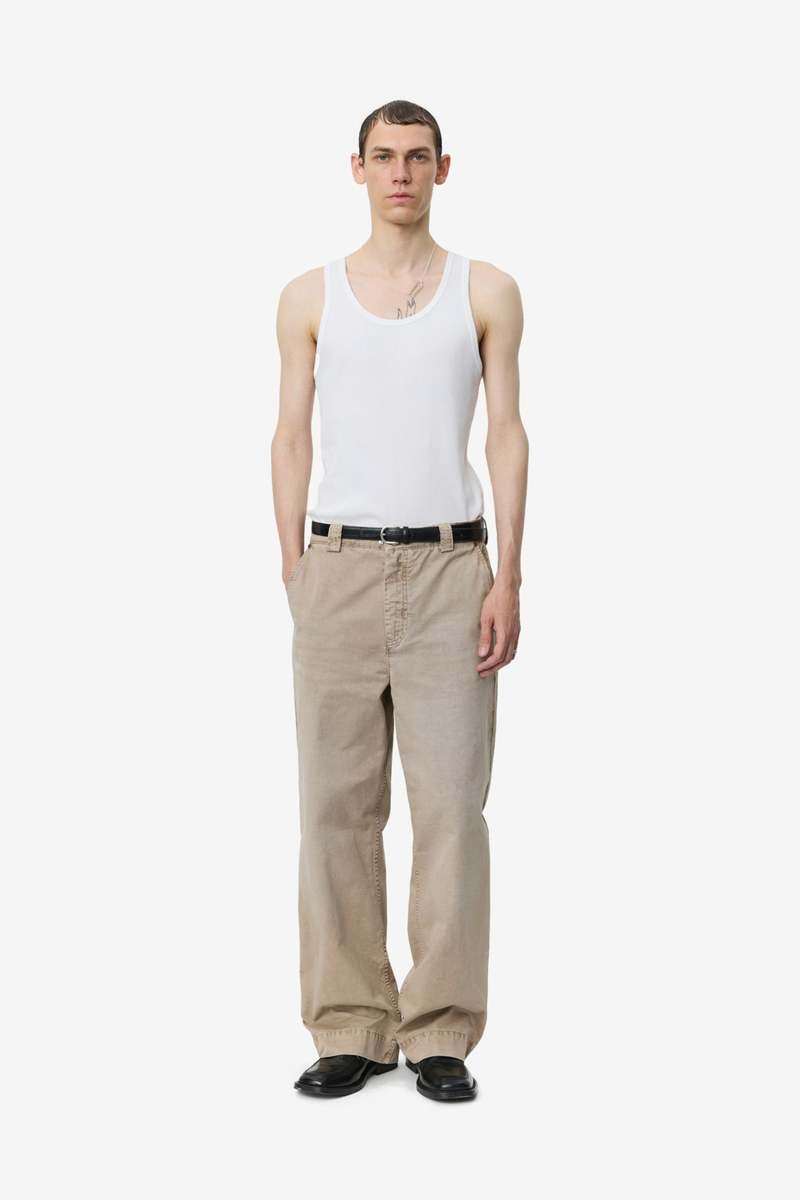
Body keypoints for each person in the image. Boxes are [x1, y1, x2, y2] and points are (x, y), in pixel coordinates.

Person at [271, 99, 527, 1102]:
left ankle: (440, 1031)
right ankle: (350, 1025)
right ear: (357, 169)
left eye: (417, 157)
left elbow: (505, 432)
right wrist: (292, 564)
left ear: (442, 168)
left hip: (450, 571)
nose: (401, 175)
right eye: (383, 157)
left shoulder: (486, 290)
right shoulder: (309, 296)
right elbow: (290, 432)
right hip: (335, 566)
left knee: (452, 810)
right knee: (332, 809)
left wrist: (509, 572)